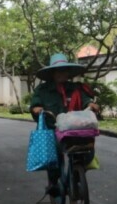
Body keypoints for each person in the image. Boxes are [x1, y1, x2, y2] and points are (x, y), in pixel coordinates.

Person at [29, 53, 100, 195]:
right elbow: (35, 103)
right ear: (52, 73)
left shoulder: (76, 88)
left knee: (86, 148)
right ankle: (54, 183)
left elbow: (86, 100)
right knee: (53, 153)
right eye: (59, 71)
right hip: (52, 129)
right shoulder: (43, 90)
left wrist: (90, 104)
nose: (62, 74)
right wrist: (37, 108)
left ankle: (77, 176)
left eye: (64, 70)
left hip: (74, 129)